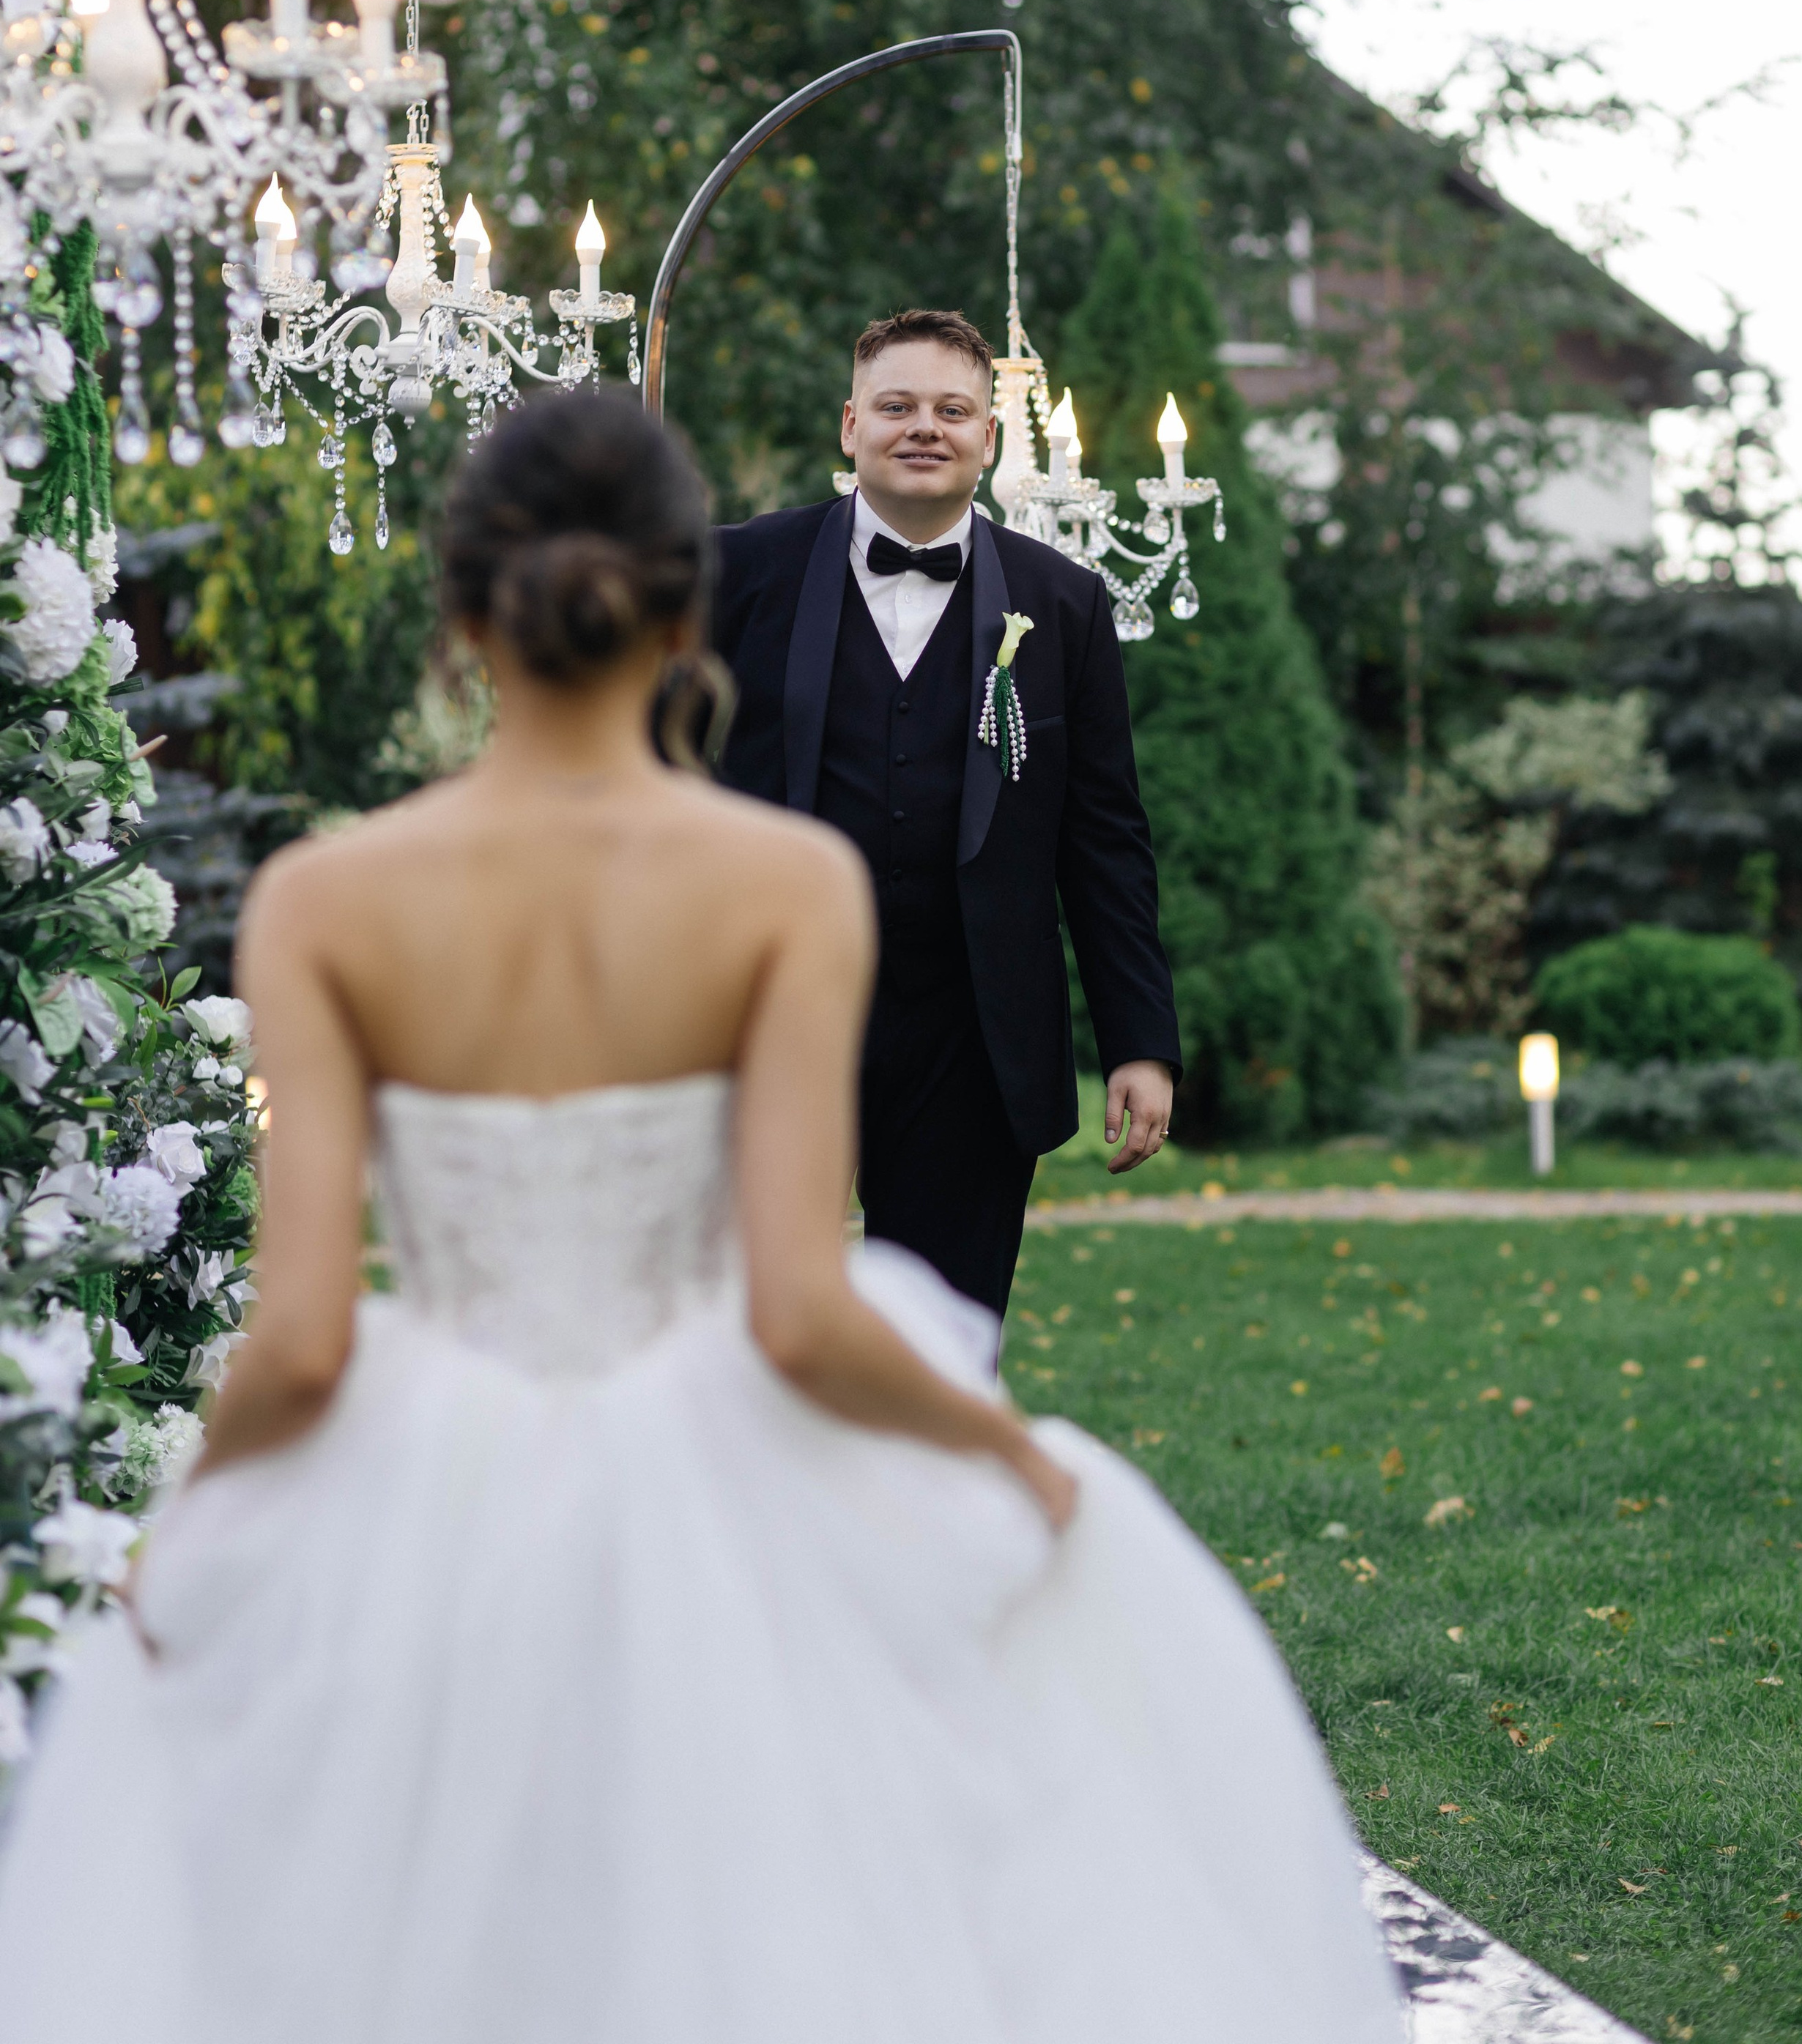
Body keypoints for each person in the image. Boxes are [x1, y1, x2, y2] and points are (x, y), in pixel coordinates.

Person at [0, 387, 1401, 2044]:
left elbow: (298, 1344)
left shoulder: (324, 900)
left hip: (426, 1498)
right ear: (687, 611)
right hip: (721, 1490)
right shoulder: (776, 885)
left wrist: (182, 1539)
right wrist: (1007, 1455)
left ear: (459, 616)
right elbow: (798, 1311)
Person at [714, 308, 1178, 1322]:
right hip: (771, 1014)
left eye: (953, 410)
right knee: (751, 1333)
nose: (925, 427)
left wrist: (1139, 1039)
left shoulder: (1065, 604)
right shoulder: (734, 576)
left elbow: (1103, 840)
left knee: (946, 1345)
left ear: (989, 438)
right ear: (850, 427)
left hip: (973, 1035)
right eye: (897, 406)